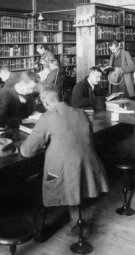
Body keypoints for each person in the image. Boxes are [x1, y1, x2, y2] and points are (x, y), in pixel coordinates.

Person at [20, 85, 109, 242]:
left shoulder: (47, 117)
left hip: (60, 171)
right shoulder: (81, 113)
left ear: (45, 103)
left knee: (39, 191)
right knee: (77, 189)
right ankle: (80, 226)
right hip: (87, 167)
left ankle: (39, 234)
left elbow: (27, 151)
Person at [0, 71, 39, 140]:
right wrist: (24, 121)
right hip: (13, 132)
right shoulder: (7, 96)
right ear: (22, 83)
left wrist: (37, 115)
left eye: (34, 88)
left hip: (27, 129)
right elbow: (1, 119)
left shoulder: (29, 94)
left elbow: (33, 110)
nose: (32, 91)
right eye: (31, 88)